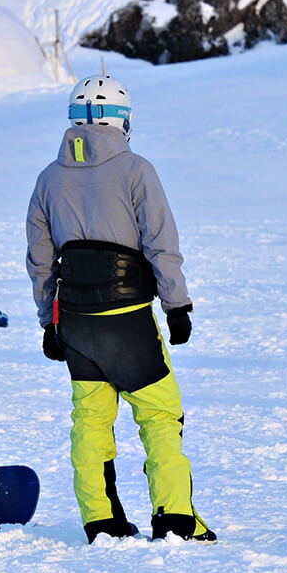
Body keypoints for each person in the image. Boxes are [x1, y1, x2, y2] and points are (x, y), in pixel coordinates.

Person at [25, 75, 214, 544]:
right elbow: (160, 241)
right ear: (123, 121)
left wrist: (48, 320)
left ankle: (101, 521)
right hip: (128, 319)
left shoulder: (48, 178)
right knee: (159, 415)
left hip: (76, 320)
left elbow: (40, 257)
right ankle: (175, 519)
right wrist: (177, 305)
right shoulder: (136, 170)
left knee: (90, 420)